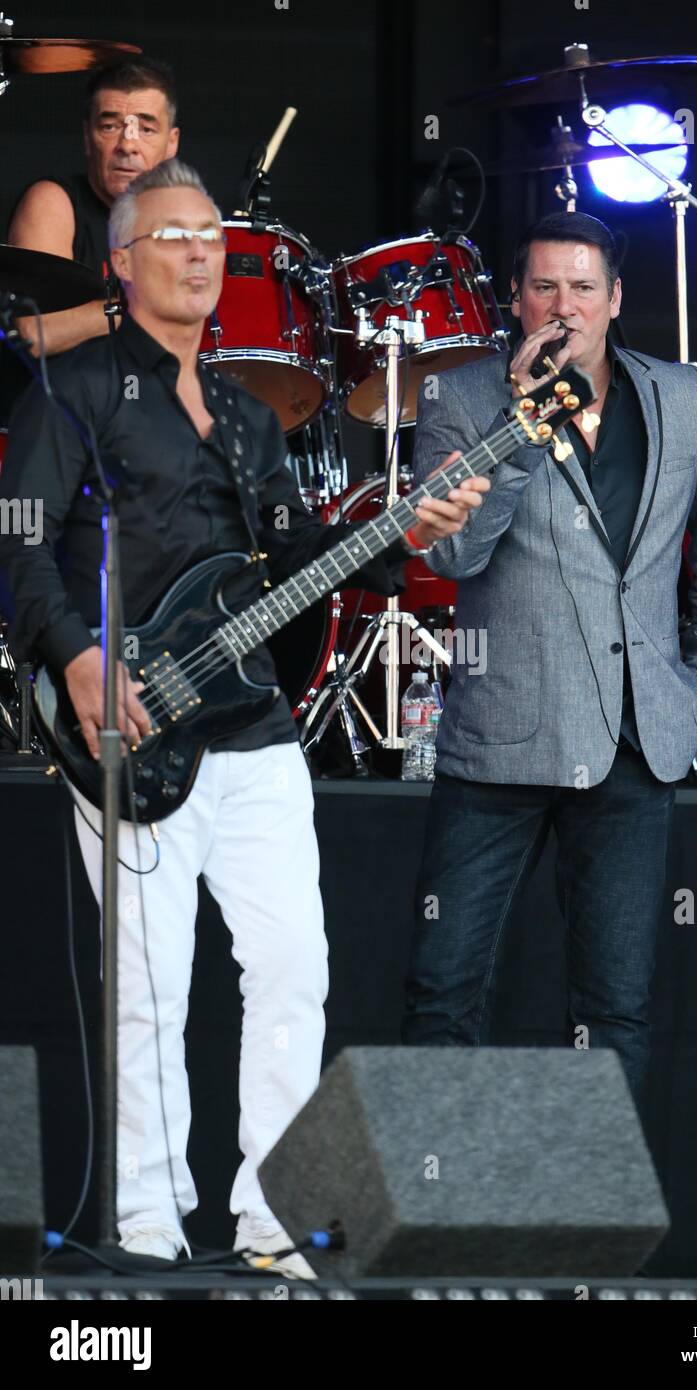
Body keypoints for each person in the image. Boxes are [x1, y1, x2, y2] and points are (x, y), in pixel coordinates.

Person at [0, 158, 490, 1271]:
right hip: (131, 729)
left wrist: (398, 534)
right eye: (174, 235)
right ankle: (147, 1227)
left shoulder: (243, 411)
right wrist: (76, 659)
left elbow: (297, 561)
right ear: (121, 263)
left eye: (212, 235)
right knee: (151, 989)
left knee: (292, 968)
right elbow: (15, 539)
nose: (202, 252)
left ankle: (272, 1228)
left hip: (255, 728)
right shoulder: (73, 389)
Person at [401, 210, 697, 1119]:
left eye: (583, 288)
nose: (565, 306)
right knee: (445, 992)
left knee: (612, 1007)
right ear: (516, 301)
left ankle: (590, 1239)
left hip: (639, 743)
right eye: (545, 288)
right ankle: (434, 1222)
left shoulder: (679, 395)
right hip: (503, 741)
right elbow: (453, 557)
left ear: (616, 298)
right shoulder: (457, 400)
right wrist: (520, 427)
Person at [6, 56, 180, 358]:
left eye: (147, 130)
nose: (128, 145)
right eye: (110, 126)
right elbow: (37, 332)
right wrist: (147, 305)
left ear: (172, 144)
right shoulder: (53, 200)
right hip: (66, 402)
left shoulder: (181, 220)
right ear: (88, 138)